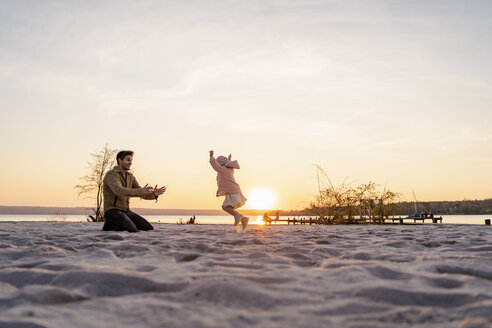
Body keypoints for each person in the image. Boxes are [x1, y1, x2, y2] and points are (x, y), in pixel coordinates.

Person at [102, 150, 166, 232]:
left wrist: (154, 194)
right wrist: (142, 191)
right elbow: (118, 191)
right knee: (132, 230)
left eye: (131, 160)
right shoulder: (111, 174)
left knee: (148, 228)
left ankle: (111, 225)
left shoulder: (130, 176)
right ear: (120, 160)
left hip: (126, 211)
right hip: (112, 211)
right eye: (128, 160)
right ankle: (112, 223)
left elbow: (140, 192)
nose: (130, 162)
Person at [209, 150, 249, 231]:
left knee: (225, 207)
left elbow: (215, 166)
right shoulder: (229, 169)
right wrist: (229, 159)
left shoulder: (222, 170)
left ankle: (238, 216)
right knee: (229, 207)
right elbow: (227, 164)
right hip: (235, 191)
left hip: (232, 192)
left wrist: (211, 157)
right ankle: (243, 219)